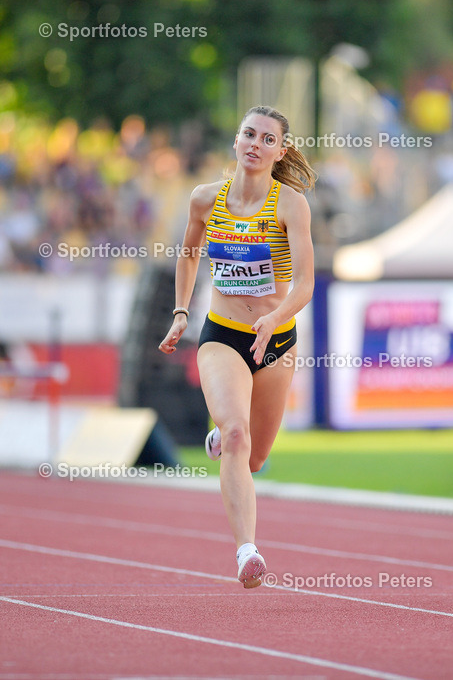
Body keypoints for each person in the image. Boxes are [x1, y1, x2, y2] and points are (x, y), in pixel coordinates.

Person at [158, 106, 315, 588]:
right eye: (249, 134)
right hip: (222, 335)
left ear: (280, 151)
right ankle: (247, 551)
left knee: (256, 458)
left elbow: (305, 284)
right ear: (235, 140)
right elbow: (187, 255)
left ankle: (222, 436)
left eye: (267, 139)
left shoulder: (290, 205)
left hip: (275, 339)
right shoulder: (206, 199)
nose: (255, 144)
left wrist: (274, 316)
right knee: (237, 437)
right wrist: (182, 312)